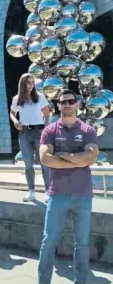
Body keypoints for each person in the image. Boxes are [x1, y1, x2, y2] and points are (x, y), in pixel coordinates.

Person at [38, 89, 98, 284]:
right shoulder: (50, 131)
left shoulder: (88, 131)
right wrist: (78, 161)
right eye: (63, 102)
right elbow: (46, 158)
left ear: (77, 105)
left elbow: (92, 156)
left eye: (71, 101)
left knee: (82, 244)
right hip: (58, 196)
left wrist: (65, 156)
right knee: (49, 242)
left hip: (83, 196)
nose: (67, 104)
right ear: (58, 106)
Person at [10, 73, 50, 202]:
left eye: (32, 82)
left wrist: (46, 129)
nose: (31, 85)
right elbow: (12, 113)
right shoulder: (17, 99)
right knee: (28, 164)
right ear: (23, 84)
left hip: (39, 131)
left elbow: (47, 114)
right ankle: (31, 191)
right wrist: (16, 121)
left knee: (44, 163)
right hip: (24, 133)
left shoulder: (40, 97)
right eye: (28, 82)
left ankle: (48, 191)